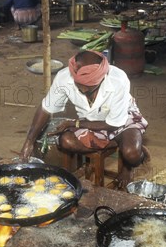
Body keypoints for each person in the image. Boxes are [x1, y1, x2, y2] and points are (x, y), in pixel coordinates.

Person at [20, 50, 149, 188]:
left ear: (101, 78)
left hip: (122, 119)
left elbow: (113, 124)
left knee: (131, 154)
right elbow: (46, 108)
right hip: (90, 121)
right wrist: (29, 141)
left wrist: (74, 123)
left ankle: (128, 162)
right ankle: (119, 143)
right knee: (65, 141)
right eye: (79, 84)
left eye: (89, 87)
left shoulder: (118, 79)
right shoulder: (64, 78)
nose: (82, 88)